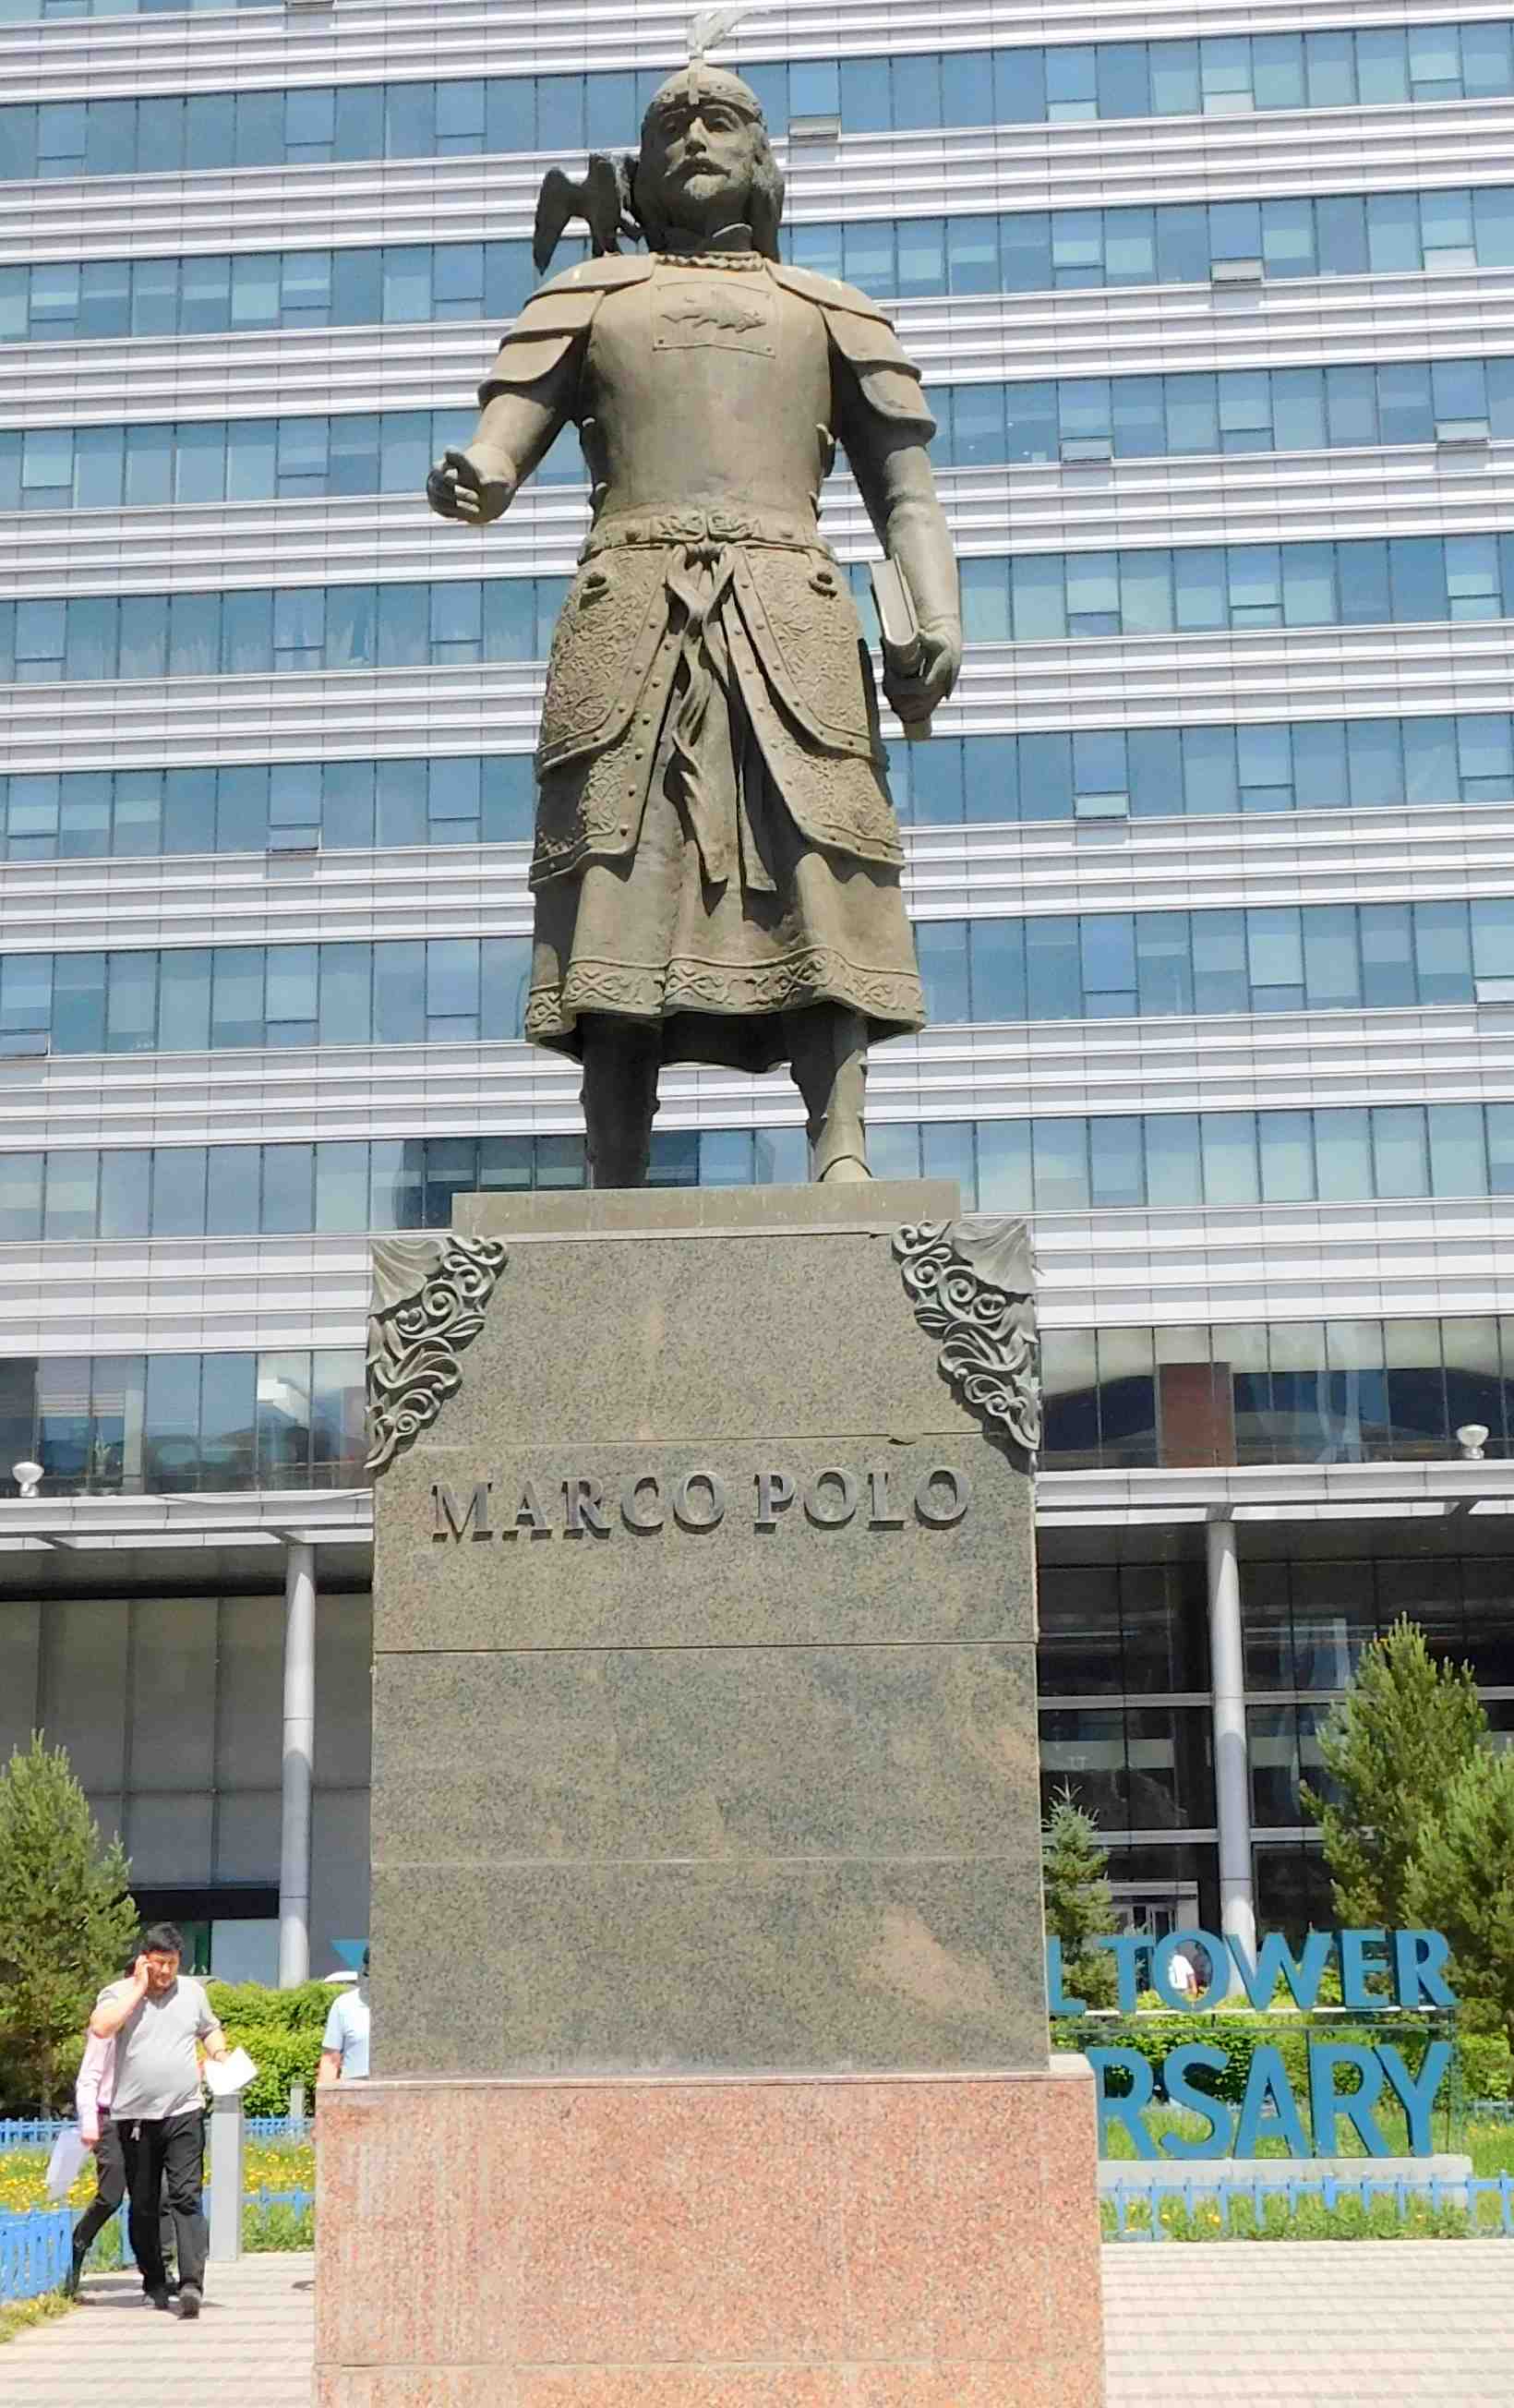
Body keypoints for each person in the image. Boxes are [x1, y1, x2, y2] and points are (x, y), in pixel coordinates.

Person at [427, 49, 960, 1186]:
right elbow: (501, 445)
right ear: (640, 166)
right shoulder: (588, 298)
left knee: (819, 868)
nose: (696, 137)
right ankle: (614, 1164)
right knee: (619, 880)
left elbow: (906, 496)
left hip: (787, 614)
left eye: (721, 121)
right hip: (632, 620)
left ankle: (840, 1146)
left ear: (763, 160)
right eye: (672, 125)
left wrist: (937, 620)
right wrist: (478, 475)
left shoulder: (830, 312)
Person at [89, 1921, 229, 2318]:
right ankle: (154, 2280)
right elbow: (101, 2027)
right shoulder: (118, 1993)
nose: (165, 1972)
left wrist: (220, 2055)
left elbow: (210, 2029)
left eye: (172, 1963)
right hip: (135, 2117)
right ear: (143, 1960)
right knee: (146, 2202)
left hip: (184, 2110)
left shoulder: (193, 1994)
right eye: (158, 1963)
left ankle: (191, 2283)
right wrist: (137, 1989)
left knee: (186, 2196)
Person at [318, 1947, 371, 2086]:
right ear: (366, 1969)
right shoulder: (344, 2005)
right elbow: (330, 2059)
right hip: (355, 2092)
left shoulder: (409, 2007)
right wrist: (326, 2095)